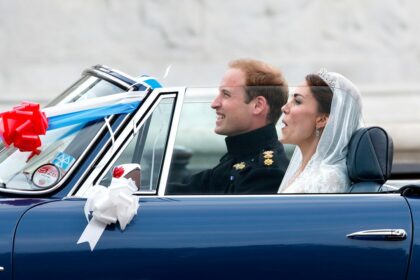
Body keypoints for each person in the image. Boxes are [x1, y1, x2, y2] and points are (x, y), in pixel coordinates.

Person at [167, 59, 289, 194]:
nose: (214, 103)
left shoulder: (265, 173)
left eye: (226, 94)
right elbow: (188, 189)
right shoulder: (239, 156)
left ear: (258, 105)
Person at [278, 69, 363, 193]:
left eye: (297, 101)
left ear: (322, 119)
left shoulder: (327, 179)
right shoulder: (304, 171)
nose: (284, 108)